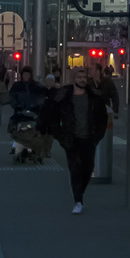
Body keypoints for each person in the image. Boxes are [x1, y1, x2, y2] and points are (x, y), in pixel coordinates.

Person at [41, 68, 110, 213]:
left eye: (84, 77)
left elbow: (102, 118)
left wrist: (97, 136)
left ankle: (79, 193)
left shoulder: (93, 98)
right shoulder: (64, 98)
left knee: (87, 168)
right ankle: (78, 201)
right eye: (79, 77)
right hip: (71, 139)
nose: (82, 80)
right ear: (73, 79)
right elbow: (54, 118)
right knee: (75, 169)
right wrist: (60, 137)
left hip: (89, 139)